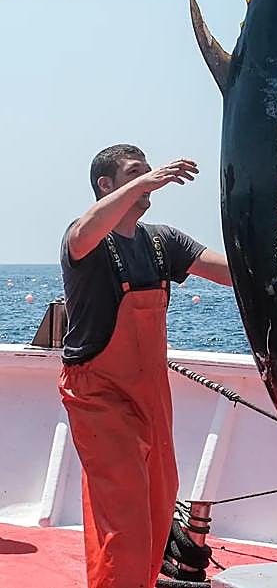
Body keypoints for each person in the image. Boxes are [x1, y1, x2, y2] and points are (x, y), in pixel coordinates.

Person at [58, 144, 233, 588]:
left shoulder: (163, 242)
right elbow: (84, 231)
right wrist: (148, 181)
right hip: (98, 396)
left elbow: (229, 272)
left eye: (149, 172)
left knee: (157, 511)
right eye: (136, 174)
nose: (150, 178)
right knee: (126, 526)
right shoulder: (87, 241)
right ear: (107, 185)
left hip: (151, 395)